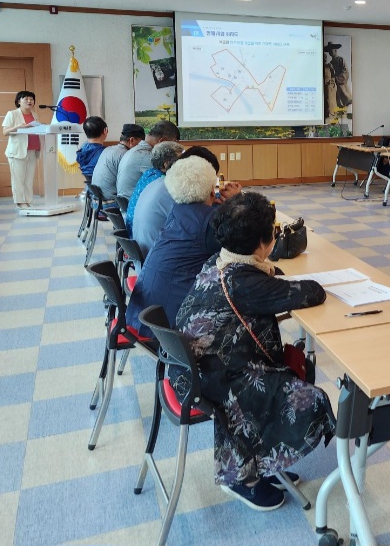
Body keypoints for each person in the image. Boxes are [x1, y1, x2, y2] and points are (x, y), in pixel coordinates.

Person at [173, 191, 335, 511]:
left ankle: (260, 463)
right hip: (210, 379)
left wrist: (269, 273)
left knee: (278, 377)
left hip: (191, 366)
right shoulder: (245, 281)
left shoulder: (222, 260)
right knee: (313, 400)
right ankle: (242, 479)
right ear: (264, 242)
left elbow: (274, 285)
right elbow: (312, 292)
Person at [125, 156, 223, 336]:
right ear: (211, 190)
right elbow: (241, 245)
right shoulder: (207, 222)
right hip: (170, 324)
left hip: (147, 311)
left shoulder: (178, 211)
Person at [132, 146, 240, 256]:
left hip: (150, 254)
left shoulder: (165, 182)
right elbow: (207, 224)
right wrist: (234, 202)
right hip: (157, 253)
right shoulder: (175, 191)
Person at [116, 121, 181, 207]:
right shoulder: (147, 157)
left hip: (129, 205)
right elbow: (170, 181)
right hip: (133, 209)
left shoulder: (136, 150)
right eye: (173, 144)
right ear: (163, 141)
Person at [125, 141, 184, 232]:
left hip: (134, 235)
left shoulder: (149, 174)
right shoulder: (165, 183)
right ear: (166, 164)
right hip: (144, 240)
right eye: (180, 161)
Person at [1, 90, 42, 209]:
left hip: (33, 150)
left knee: (29, 178)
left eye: (32, 99)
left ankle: (29, 200)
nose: (30, 101)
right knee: (18, 178)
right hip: (17, 152)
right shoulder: (12, 114)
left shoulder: (34, 114)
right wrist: (18, 127)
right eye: (26, 99)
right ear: (19, 101)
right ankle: (20, 201)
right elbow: (5, 132)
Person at [91, 124, 145, 210]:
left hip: (96, 203)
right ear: (132, 140)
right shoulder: (126, 156)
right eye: (141, 143)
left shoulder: (108, 149)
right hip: (110, 206)